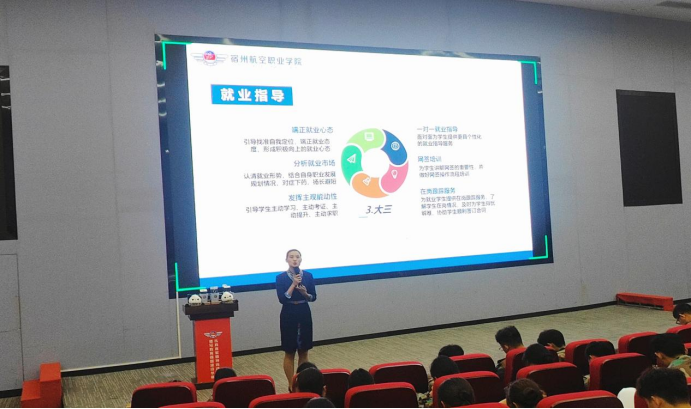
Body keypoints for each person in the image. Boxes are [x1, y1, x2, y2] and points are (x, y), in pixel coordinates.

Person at [276, 249, 317, 388]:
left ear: (301, 259)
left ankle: (302, 383)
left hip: (304, 312)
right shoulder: (280, 278)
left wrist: (305, 293)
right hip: (288, 313)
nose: (294, 259)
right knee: (289, 351)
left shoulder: (308, 276)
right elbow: (282, 299)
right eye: (291, 257)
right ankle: (291, 385)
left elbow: (313, 297)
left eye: (297, 257)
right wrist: (293, 284)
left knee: (304, 350)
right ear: (286, 260)